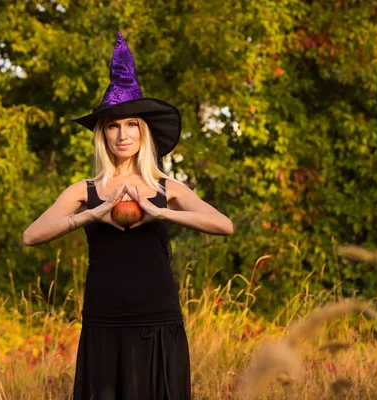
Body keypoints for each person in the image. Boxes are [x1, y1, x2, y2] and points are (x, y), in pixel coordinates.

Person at [22, 30, 234, 400]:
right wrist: (89, 216)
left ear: (143, 131)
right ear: (103, 135)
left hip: (157, 319)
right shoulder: (83, 191)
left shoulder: (166, 187)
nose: (123, 134)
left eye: (132, 124)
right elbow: (31, 235)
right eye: (113, 126)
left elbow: (224, 225)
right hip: (104, 321)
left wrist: (161, 213)